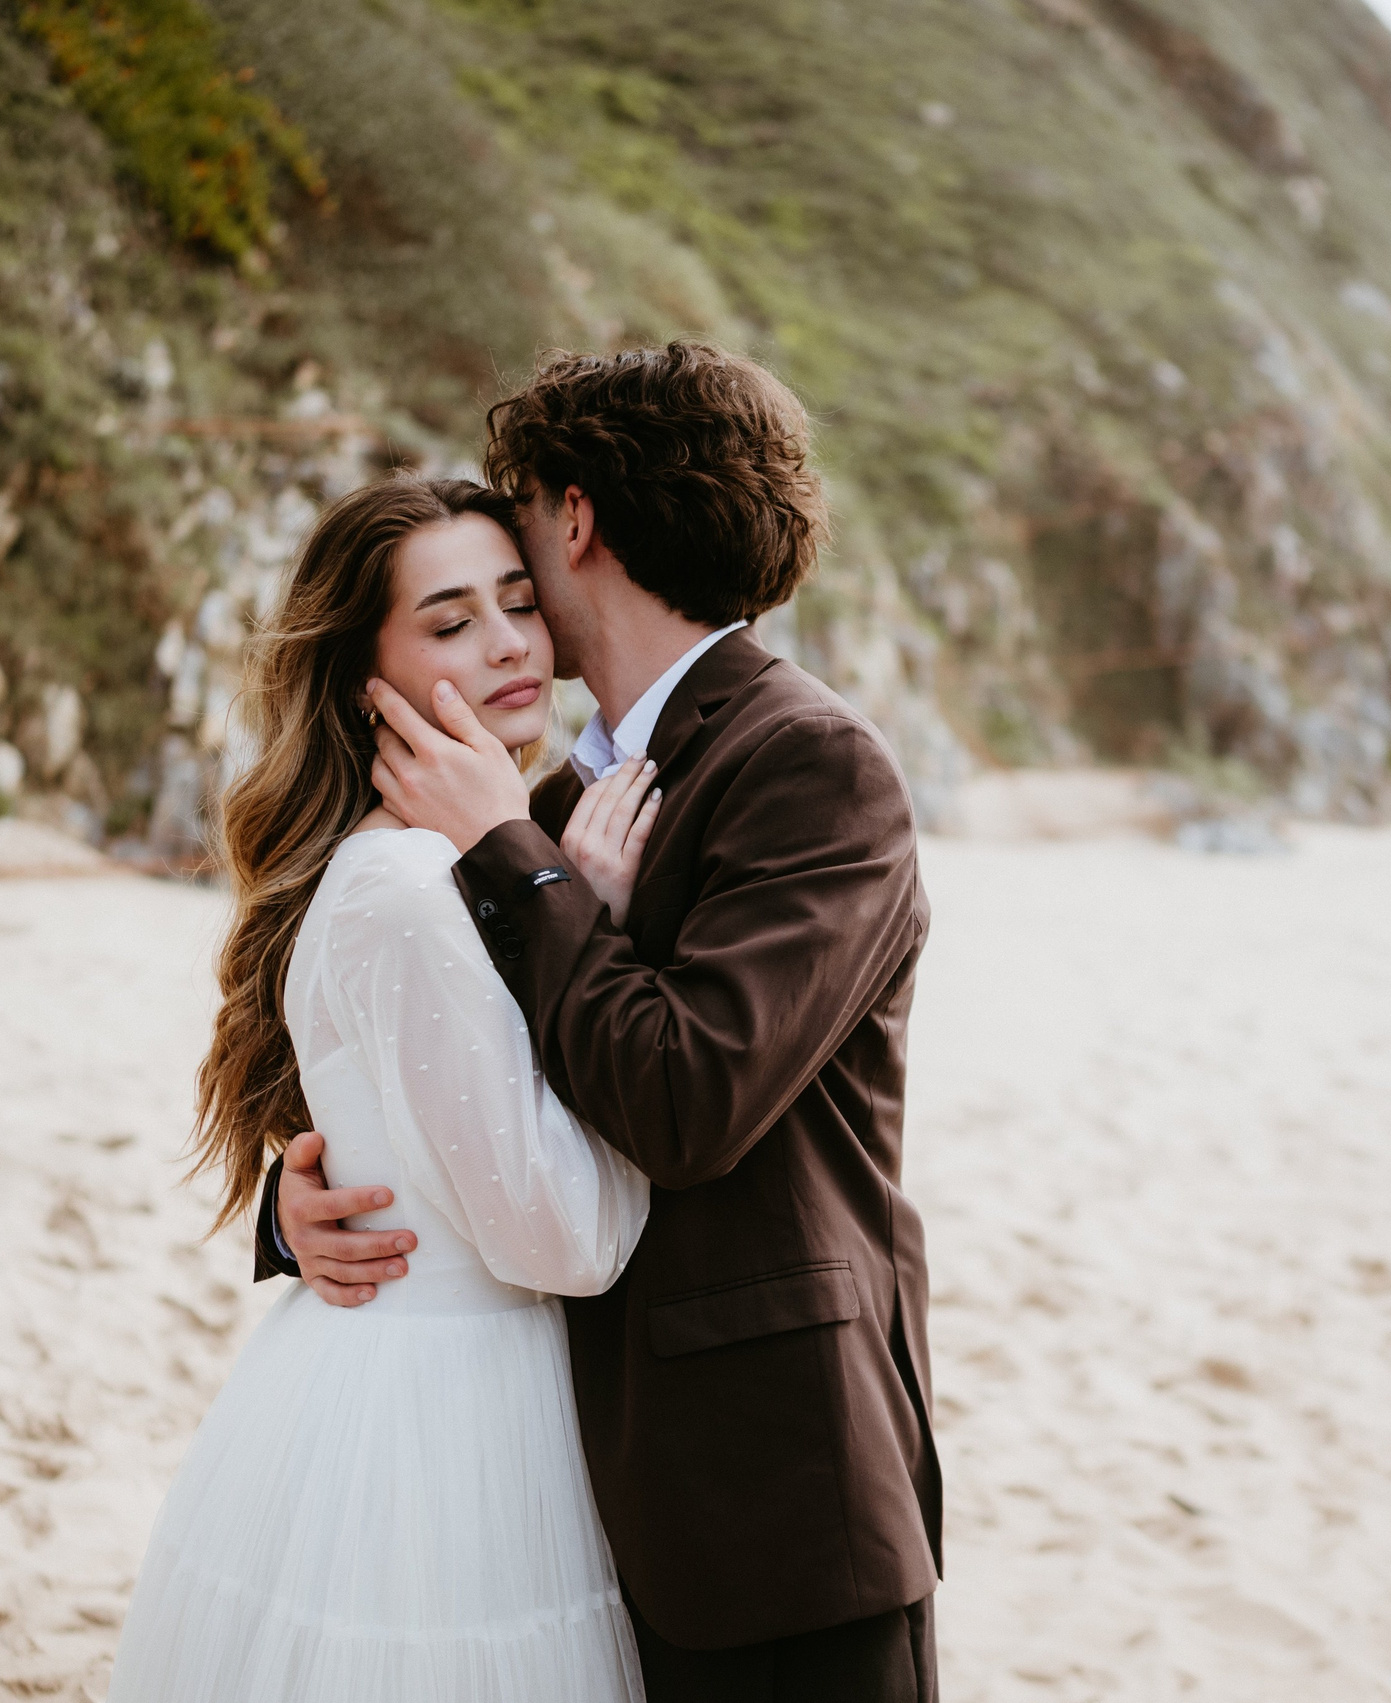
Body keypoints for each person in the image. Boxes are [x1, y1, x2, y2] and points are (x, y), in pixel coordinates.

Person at [257, 342, 943, 1701]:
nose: (505, 618)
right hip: (576, 1497)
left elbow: (689, 1096)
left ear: (571, 514)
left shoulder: (804, 762)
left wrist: (524, 859)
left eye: (518, 540)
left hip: (771, 1496)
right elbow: (442, 1067)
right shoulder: (553, 805)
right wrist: (299, 1203)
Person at [109, 475, 671, 1701]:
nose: (511, 642)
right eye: (450, 620)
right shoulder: (415, 890)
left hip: (390, 1371)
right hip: (445, 1418)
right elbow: (566, 1236)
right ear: (366, 673)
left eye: (519, 602)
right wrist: (594, 930)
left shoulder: (451, 857)